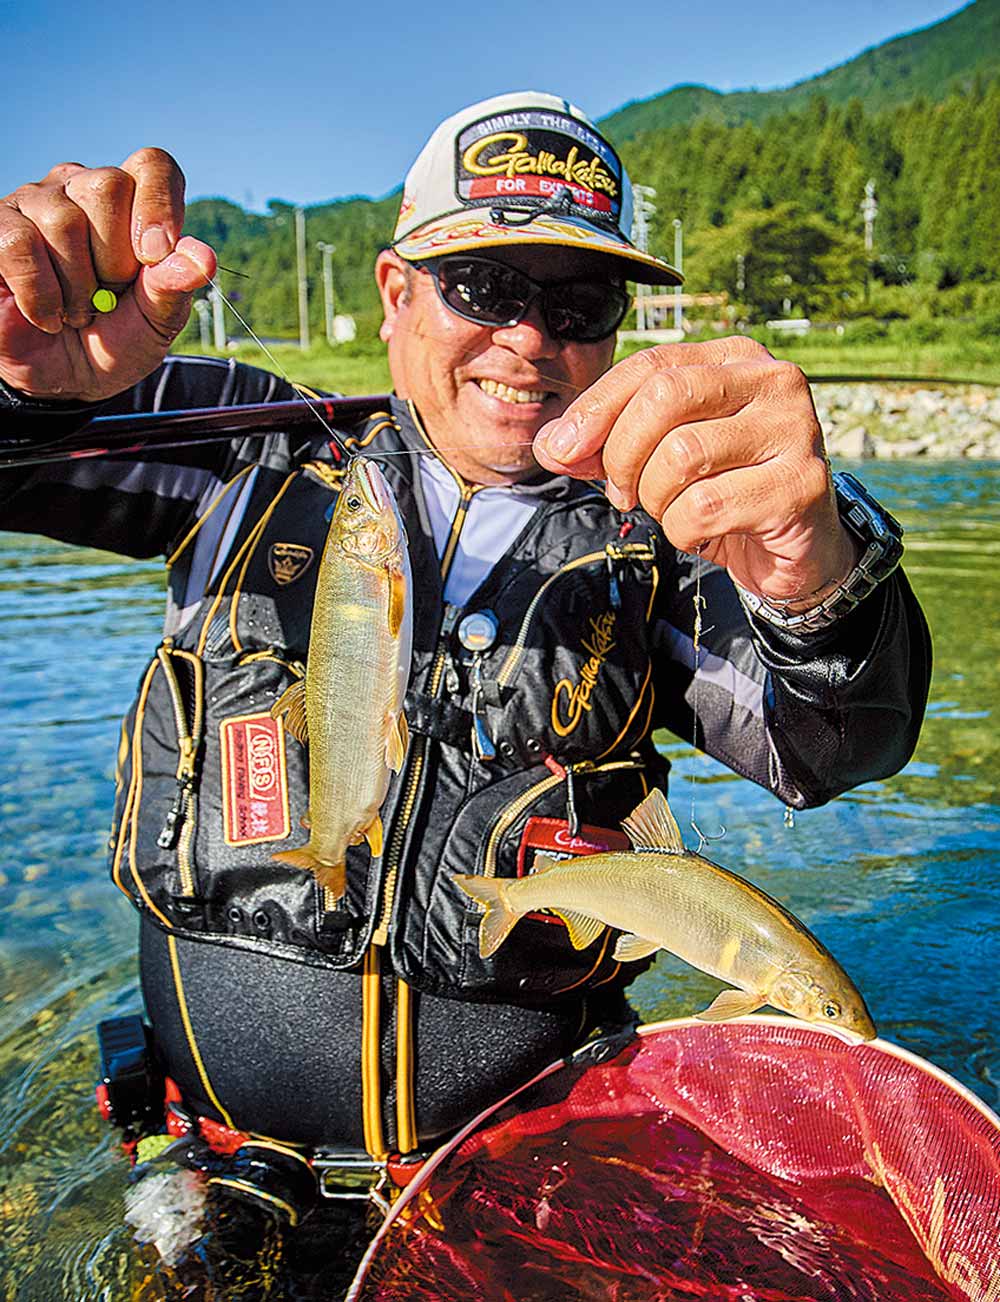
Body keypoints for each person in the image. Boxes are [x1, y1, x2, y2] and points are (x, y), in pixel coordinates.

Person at [0, 90, 931, 1287]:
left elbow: (836, 748)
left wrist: (819, 573)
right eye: (483, 288)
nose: (530, 339)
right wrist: (26, 387)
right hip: (215, 1167)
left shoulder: (669, 541)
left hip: (525, 1180)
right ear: (395, 293)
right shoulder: (241, 446)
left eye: (578, 301)